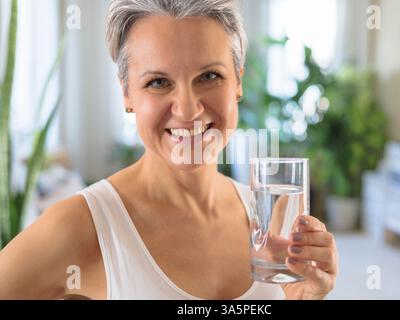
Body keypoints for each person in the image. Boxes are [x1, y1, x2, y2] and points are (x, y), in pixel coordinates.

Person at [0, 0, 338, 300]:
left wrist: (305, 298)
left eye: (209, 76)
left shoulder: (269, 220)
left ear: (238, 82)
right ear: (127, 94)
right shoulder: (83, 226)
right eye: (158, 82)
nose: (189, 110)